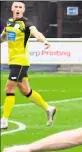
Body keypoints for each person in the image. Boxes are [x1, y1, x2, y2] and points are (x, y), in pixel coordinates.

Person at [0, 1, 56, 130]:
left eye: (21, 7)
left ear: (23, 10)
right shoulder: (9, 23)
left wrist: (45, 41)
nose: (18, 9)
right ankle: (48, 108)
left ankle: (4, 120)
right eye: (16, 7)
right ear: (12, 9)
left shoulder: (27, 24)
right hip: (13, 61)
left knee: (9, 89)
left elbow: (36, 33)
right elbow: (3, 36)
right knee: (26, 91)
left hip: (20, 62)